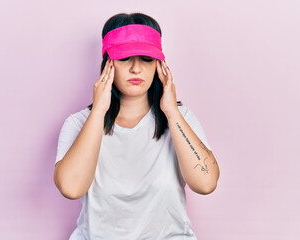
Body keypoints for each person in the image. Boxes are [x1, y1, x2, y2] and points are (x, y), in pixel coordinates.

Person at [53, 12, 220, 240]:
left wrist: (171, 112)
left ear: (159, 65)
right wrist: (99, 111)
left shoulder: (181, 119)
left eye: (146, 58)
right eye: (124, 58)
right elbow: (71, 188)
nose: (135, 68)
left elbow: (206, 182)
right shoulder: (78, 123)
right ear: (107, 64)